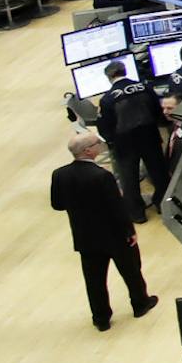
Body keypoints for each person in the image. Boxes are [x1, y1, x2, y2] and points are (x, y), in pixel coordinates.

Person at [50, 130, 155, 332]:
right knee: (131, 271)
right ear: (89, 151)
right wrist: (129, 231)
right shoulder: (101, 176)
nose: (100, 146)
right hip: (113, 235)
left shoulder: (59, 174)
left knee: (94, 280)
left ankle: (101, 318)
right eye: (97, 143)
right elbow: (117, 208)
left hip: (84, 236)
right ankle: (140, 304)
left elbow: (58, 205)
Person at [98, 58, 170, 216]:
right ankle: (163, 205)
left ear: (109, 77)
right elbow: (157, 111)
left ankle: (137, 213)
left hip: (124, 144)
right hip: (149, 137)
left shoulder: (108, 98)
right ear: (125, 71)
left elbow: (105, 126)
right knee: (159, 174)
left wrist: (112, 142)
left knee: (129, 179)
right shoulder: (145, 87)